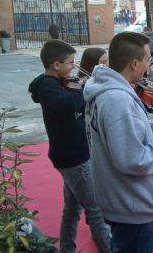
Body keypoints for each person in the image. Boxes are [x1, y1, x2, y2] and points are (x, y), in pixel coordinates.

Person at [83, 32, 153, 253]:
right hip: (131, 205)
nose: (149, 65)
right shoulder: (118, 100)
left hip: (120, 200)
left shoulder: (106, 91)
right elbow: (133, 159)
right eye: (148, 59)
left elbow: (133, 135)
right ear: (134, 63)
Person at [29, 40, 111, 253]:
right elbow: (69, 104)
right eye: (70, 63)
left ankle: (67, 248)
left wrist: (82, 84)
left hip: (72, 152)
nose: (74, 67)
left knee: (73, 209)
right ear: (56, 65)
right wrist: (85, 88)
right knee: (95, 209)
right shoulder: (49, 86)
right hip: (72, 155)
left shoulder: (56, 82)